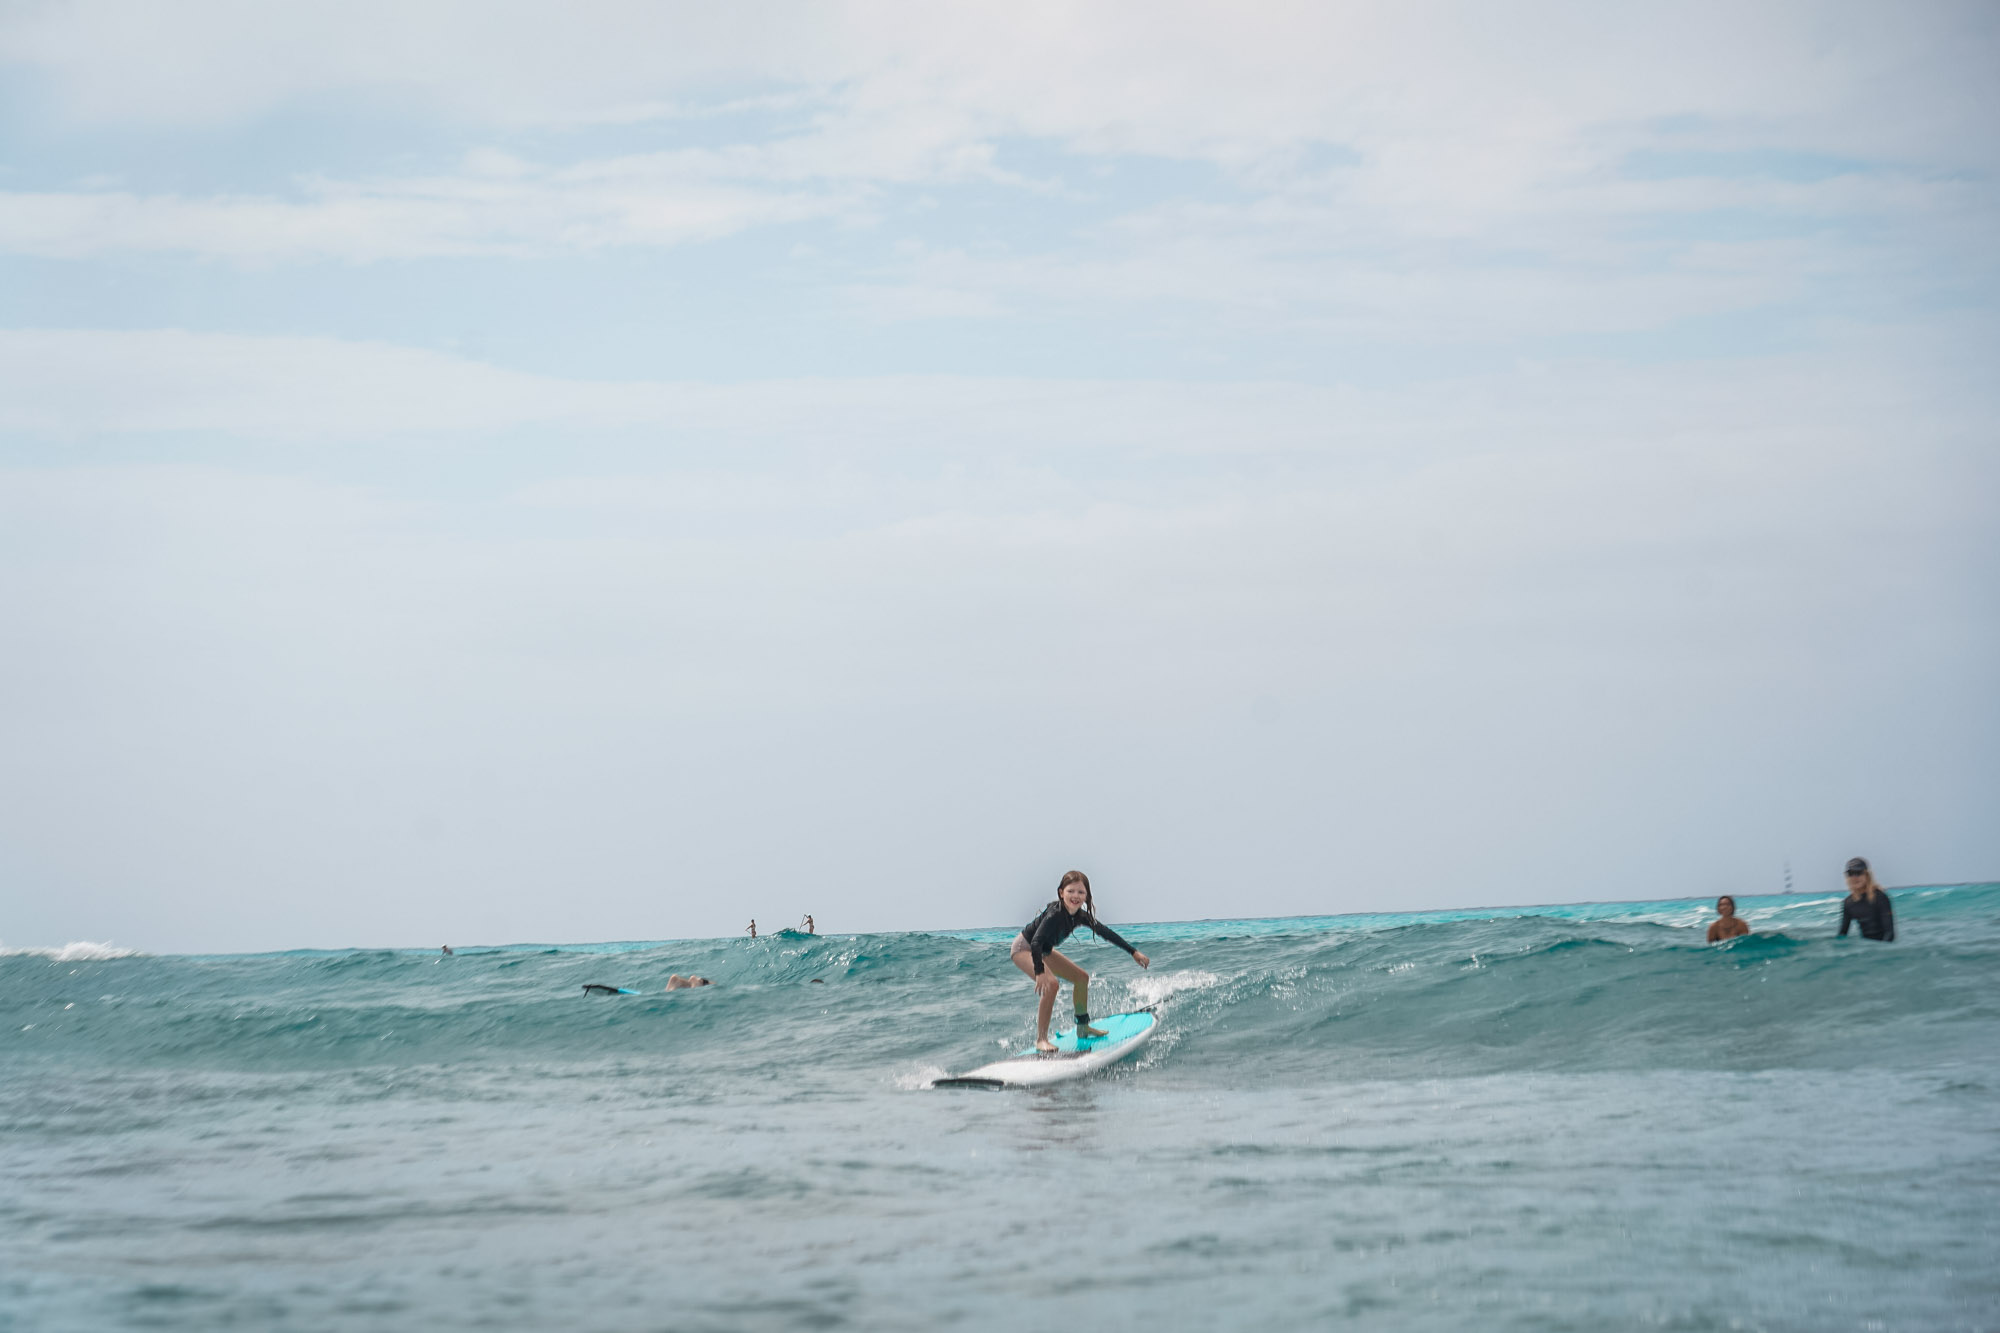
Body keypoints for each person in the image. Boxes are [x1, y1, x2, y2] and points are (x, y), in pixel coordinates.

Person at [1012, 870, 1150, 1053]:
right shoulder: (1054, 914)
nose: (1075, 896)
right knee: (1052, 984)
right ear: (1061, 892)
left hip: (1043, 951)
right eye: (1071, 891)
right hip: (1025, 948)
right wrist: (1039, 973)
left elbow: (1105, 933)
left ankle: (1083, 1027)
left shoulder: (1080, 916)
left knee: (1081, 978)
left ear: (1086, 896)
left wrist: (1133, 952)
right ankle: (1041, 1039)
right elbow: (1036, 942)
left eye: (1080, 892)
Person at [1837, 857, 1895, 941]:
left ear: (1867, 875)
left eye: (1858, 873)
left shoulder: (1880, 897)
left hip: (1882, 947)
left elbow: (1890, 933)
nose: (1855, 877)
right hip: (1866, 948)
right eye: (1851, 873)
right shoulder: (1848, 903)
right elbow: (1842, 934)